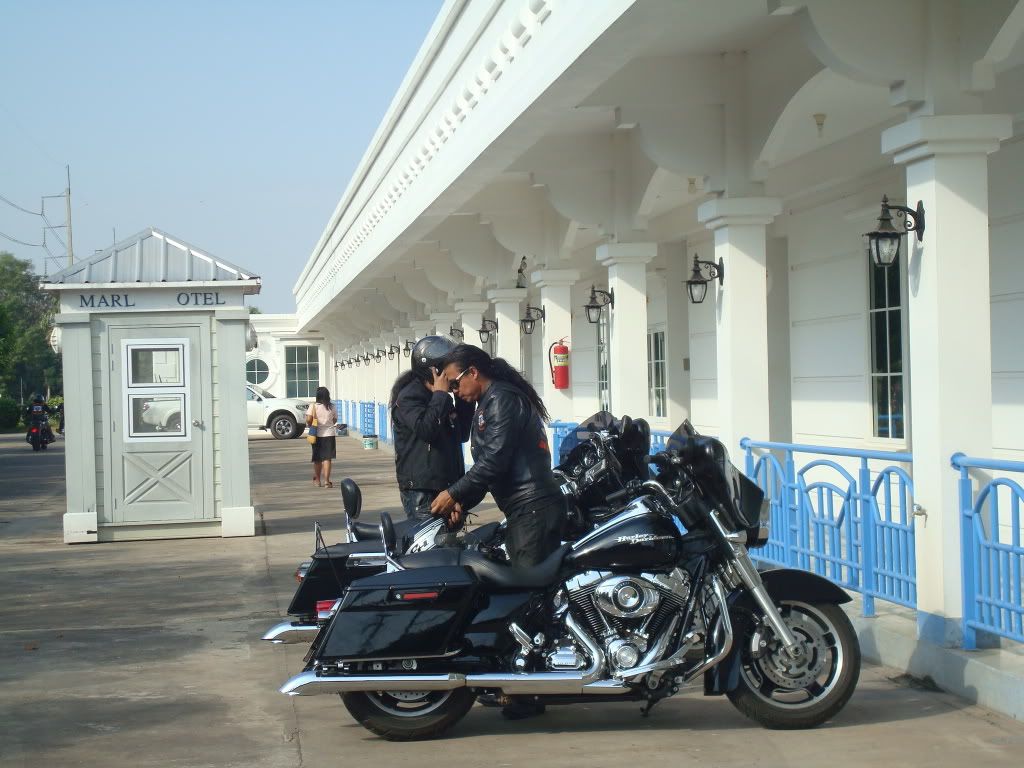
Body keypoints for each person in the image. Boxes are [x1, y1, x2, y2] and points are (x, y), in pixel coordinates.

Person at [429, 345, 565, 720]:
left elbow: (494, 461)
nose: (453, 390)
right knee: (522, 593)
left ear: (473, 372)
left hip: (534, 509)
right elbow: (492, 470)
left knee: (528, 598)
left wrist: (454, 493)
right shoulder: (489, 402)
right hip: (523, 509)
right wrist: (462, 501)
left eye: (454, 382)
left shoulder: (502, 399)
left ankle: (530, 692)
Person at [390, 335, 473, 521]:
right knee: (431, 539)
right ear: (436, 371)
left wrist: (463, 398)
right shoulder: (410, 396)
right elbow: (426, 430)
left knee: (448, 538)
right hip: (423, 491)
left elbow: (461, 434)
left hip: (447, 486)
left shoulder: (441, 398)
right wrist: (441, 395)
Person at [306, 387, 338, 488]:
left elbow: (308, 419)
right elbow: (335, 420)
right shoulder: (332, 406)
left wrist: (311, 424)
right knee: (327, 458)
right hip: (329, 434)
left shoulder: (313, 406)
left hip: (316, 435)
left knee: (317, 459)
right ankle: (327, 482)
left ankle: (317, 481)